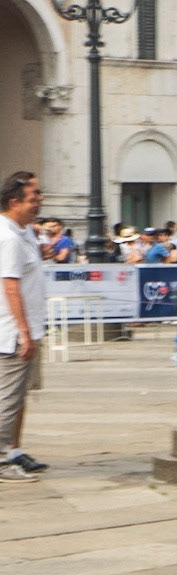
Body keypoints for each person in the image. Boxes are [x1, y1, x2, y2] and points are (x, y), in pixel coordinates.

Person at [1, 172, 49, 481]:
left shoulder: (24, 231)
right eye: (34, 197)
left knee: (20, 396)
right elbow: (10, 286)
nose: (40, 201)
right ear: (14, 201)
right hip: (13, 332)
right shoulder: (7, 237)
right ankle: (3, 461)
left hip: (31, 328)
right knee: (6, 399)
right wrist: (23, 333)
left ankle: (14, 451)